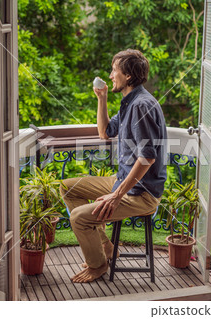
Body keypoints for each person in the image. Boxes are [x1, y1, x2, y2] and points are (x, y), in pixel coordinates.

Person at [60, 49, 167, 283]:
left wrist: (116, 196)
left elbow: (147, 158)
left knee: (79, 217)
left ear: (128, 76)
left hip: (141, 194)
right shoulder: (129, 101)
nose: (110, 76)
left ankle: (97, 266)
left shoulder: (141, 106)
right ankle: (106, 248)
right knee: (69, 187)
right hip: (123, 180)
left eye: (114, 71)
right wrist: (102, 98)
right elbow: (105, 132)